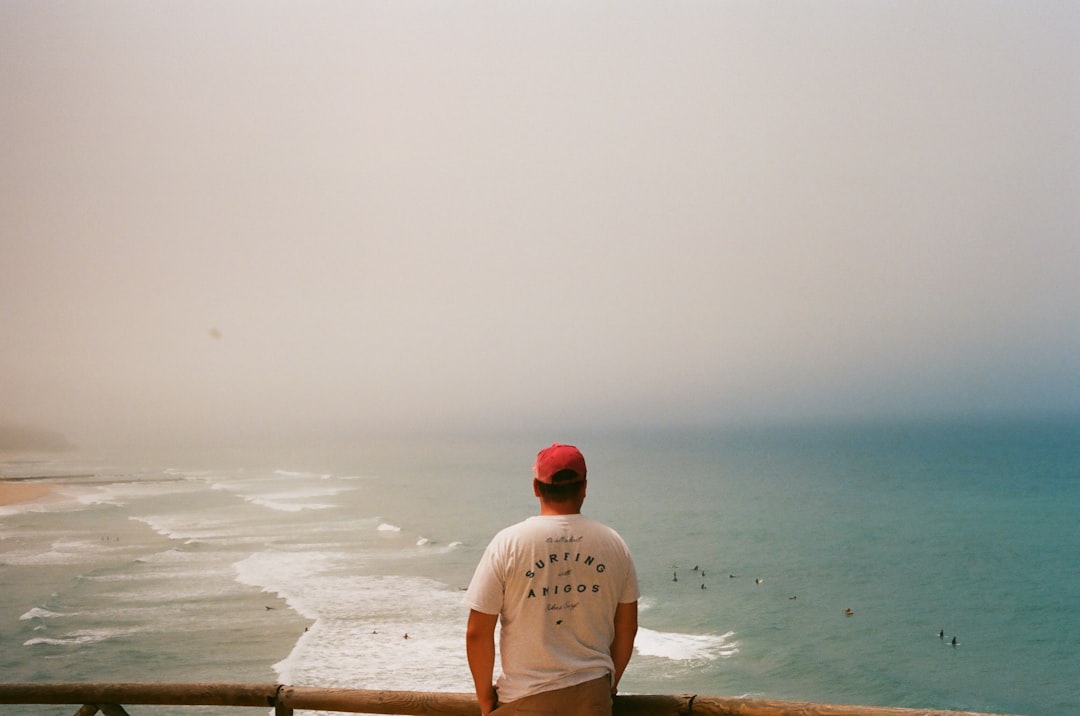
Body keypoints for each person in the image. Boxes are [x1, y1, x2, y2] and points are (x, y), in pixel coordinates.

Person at [464, 443, 639, 715]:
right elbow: (627, 626)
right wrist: (609, 686)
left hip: (524, 698)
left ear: (536, 487)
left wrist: (485, 700)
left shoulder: (509, 543)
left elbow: (478, 632)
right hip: (592, 699)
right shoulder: (613, 544)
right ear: (584, 487)